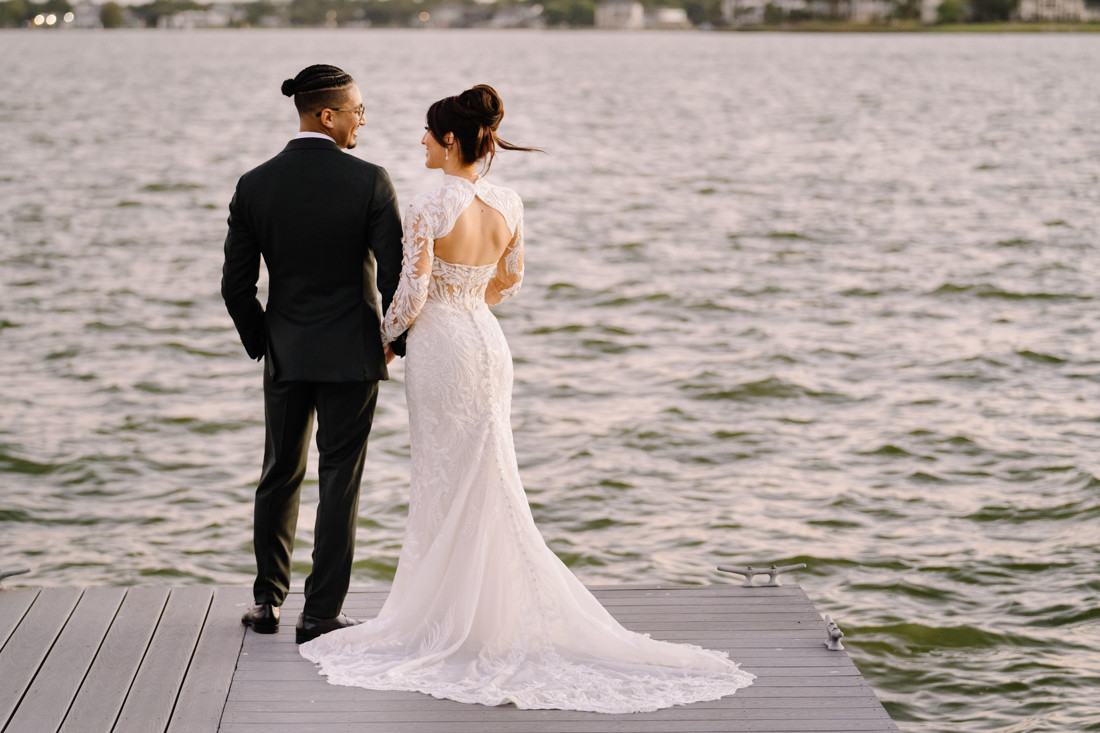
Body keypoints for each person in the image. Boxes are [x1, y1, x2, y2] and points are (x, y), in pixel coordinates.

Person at [299, 84, 754, 713]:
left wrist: (386, 339)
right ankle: (491, 613)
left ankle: (447, 616)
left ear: (452, 139)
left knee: (442, 476)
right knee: (488, 473)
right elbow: (509, 282)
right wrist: (467, 308)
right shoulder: (509, 202)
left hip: (441, 347)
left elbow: (409, 294)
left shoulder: (430, 204)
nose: (421, 142)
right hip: (486, 343)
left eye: (428, 133)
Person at [222, 64, 404, 644]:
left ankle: (267, 603)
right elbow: (396, 278)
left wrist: (264, 342)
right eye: (357, 110)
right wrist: (395, 342)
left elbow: (235, 285)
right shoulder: (371, 181)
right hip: (354, 355)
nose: (363, 120)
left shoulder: (254, 184)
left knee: (279, 473)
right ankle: (321, 612)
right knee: (339, 481)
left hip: (287, 352)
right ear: (328, 115)